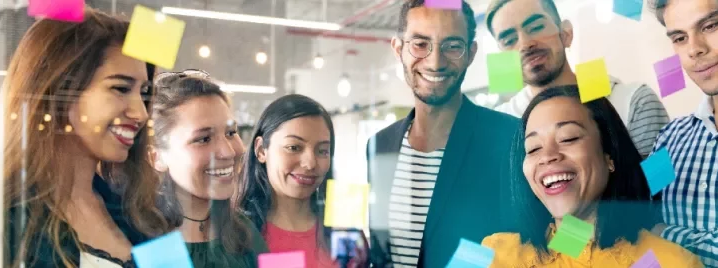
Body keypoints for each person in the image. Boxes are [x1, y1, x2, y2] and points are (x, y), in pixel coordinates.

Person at [2, 9, 169, 267]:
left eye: (144, 93)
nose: (141, 113)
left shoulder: (142, 212)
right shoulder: (7, 215)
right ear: (61, 88)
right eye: (120, 88)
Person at [365, 0, 526, 267]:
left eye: (452, 46)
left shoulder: (508, 138)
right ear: (398, 48)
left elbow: (547, 232)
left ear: (471, 53)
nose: (435, 62)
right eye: (420, 44)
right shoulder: (380, 145)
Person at [482, 85, 703, 267]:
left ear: (609, 155)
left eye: (568, 138)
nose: (547, 156)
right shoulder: (490, 252)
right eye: (532, 148)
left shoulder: (669, 262)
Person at [649, 0, 718, 266]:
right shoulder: (668, 141)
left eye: (711, 25)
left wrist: (665, 237)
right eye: (679, 37)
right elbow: (635, 232)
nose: (695, 49)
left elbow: (653, 239)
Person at [485, 0, 670, 157]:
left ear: (566, 33)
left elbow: (662, 189)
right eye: (509, 41)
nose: (525, 44)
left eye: (536, 28)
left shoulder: (633, 102)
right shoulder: (498, 125)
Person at [147, 70, 268, 267]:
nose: (228, 152)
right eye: (203, 139)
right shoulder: (139, 240)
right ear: (156, 157)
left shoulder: (246, 232)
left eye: (231, 133)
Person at [239, 94, 366, 268]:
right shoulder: (238, 232)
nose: (310, 163)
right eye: (294, 147)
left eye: (322, 151)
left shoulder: (344, 229)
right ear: (261, 150)